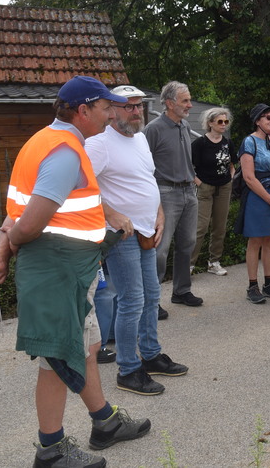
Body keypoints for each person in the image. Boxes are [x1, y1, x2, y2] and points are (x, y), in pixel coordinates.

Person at [0, 75, 150, 467]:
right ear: (83, 110)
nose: (113, 114)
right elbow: (32, 220)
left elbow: (18, 212)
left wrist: (7, 246)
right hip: (59, 268)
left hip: (72, 267)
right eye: (106, 108)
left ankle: (104, 422)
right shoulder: (65, 152)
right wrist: (8, 247)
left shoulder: (51, 141)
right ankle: (51, 450)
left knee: (86, 347)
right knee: (58, 357)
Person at [86, 84, 188, 397]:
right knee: (131, 301)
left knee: (151, 295)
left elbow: (147, 179)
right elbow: (82, 187)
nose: (136, 111)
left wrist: (158, 212)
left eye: (139, 106)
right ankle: (128, 370)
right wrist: (112, 215)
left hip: (147, 230)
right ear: (112, 110)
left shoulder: (141, 139)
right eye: (129, 106)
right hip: (122, 236)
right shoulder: (98, 144)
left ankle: (151, 354)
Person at [143, 81, 202, 313]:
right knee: (160, 249)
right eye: (185, 100)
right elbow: (143, 166)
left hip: (189, 191)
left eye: (189, 100)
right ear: (169, 103)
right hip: (165, 192)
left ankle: (181, 291)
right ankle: (152, 301)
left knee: (188, 243)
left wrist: (194, 179)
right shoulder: (154, 129)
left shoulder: (185, 126)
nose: (189, 104)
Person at [238, 103, 270, 304]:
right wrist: (268, 198)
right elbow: (249, 178)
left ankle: (269, 283)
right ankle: (252, 286)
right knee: (255, 241)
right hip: (259, 196)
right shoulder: (249, 142)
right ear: (257, 120)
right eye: (268, 117)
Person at [191, 107, 237, 276]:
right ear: (210, 123)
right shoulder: (199, 143)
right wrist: (199, 183)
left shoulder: (227, 142)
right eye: (220, 121)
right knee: (200, 228)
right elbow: (189, 166)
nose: (224, 124)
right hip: (205, 188)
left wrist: (231, 177)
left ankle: (214, 262)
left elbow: (233, 163)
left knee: (220, 227)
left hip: (224, 187)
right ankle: (189, 265)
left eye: (226, 121)